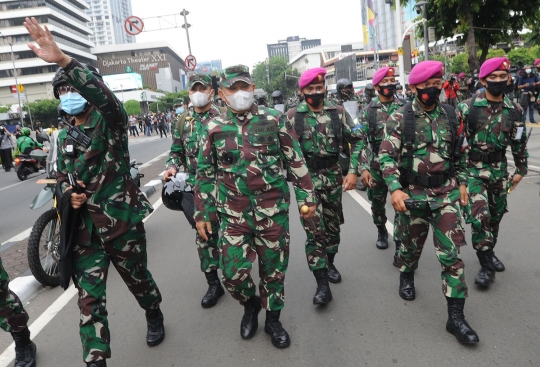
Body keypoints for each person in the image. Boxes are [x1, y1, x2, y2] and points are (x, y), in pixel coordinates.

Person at [24, 16, 164, 367]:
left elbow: (106, 100)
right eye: (64, 90)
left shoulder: (111, 122)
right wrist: (68, 195)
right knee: (89, 304)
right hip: (85, 234)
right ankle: (96, 360)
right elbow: (60, 179)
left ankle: (154, 312)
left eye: (74, 89)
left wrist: (63, 62)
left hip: (121, 224)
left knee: (139, 282)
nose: (69, 95)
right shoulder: (64, 136)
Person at [194, 65, 317, 348]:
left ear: (252, 89)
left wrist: (306, 200)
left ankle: (273, 320)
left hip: (272, 214)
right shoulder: (213, 128)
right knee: (233, 274)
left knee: (274, 272)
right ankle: (251, 305)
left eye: (244, 87)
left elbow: (295, 161)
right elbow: (205, 173)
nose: (240, 94)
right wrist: (203, 213)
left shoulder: (274, 120)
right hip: (233, 216)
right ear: (222, 94)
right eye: (233, 89)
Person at [379, 60, 479, 345]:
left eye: (437, 84)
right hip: (412, 196)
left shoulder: (451, 114)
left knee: (452, 255)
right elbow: (386, 157)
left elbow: (461, 152)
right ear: (413, 88)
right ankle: (407, 274)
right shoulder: (400, 118)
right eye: (427, 86)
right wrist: (396, 189)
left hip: (445, 195)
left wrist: (461, 182)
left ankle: (456, 318)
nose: (433, 90)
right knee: (410, 248)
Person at [286, 67, 367, 304]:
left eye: (318, 88)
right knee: (314, 230)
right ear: (302, 91)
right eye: (310, 89)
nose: (315, 92)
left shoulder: (338, 112)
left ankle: (330, 262)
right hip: (306, 182)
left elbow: (359, 139)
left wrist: (354, 170)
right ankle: (322, 284)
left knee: (332, 229)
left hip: (333, 178)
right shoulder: (292, 116)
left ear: (325, 88)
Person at [458, 57, 528, 289]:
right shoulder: (467, 108)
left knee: (496, 217)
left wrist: (520, 169)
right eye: (493, 77)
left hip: (499, 172)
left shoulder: (515, 110)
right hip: (473, 172)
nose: (499, 81)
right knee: (480, 218)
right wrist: (460, 180)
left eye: (503, 77)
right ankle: (486, 265)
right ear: (483, 80)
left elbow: (518, 142)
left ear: (509, 79)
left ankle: (489, 250)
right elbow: (456, 145)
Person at [164, 74, 226, 308]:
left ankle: (235, 275)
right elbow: (176, 151)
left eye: (203, 88)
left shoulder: (224, 117)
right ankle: (213, 283)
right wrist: (171, 166)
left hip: (227, 185)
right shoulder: (182, 121)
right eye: (194, 89)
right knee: (204, 235)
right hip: (198, 188)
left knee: (232, 232)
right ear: (189, 93)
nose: (199, 92)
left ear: (211, 91)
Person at [357, 67, 404, 263]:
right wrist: (363, 168)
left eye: (392, 80)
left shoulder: (405, 107)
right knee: (377, 205)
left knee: (403, 206)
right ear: (376, 87)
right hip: (376, 167)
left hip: (399, 166)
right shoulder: (368, 111)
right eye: (385, 82)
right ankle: (381, 229)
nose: (390, 85)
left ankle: (401, 244)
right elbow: (360, 140)